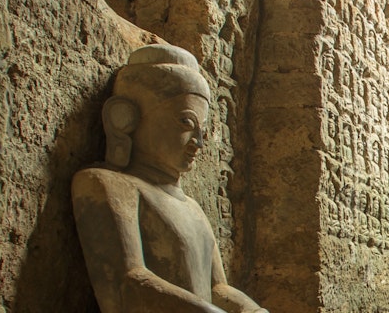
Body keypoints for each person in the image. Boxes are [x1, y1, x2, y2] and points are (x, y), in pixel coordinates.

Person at [73, 44, 267, 313]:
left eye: (203, 129)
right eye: (186, 124)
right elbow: (128, 284)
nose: (198, 142)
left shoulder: (193, 209)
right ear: (125, 117)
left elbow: (216, 289)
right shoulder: (107, 185)